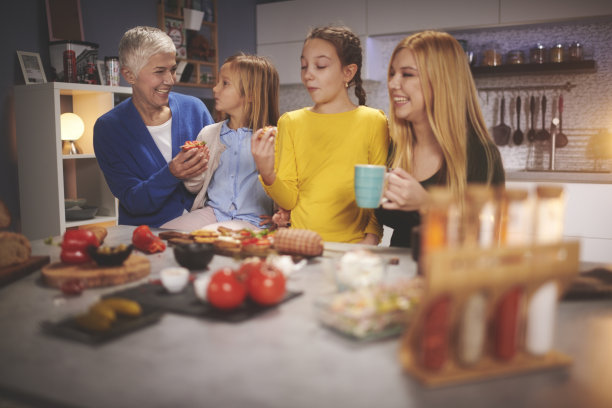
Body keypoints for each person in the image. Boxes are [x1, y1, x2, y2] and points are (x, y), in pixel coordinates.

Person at [252, 25, 389, 244]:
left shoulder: (374, 121)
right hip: (300, 242)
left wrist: (370, 241)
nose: (308, 75)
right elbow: (289, 199)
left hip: (353, 246)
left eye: (320, 66)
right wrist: (267, 171)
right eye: (304, 66)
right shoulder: (290, 122)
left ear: (348, 72)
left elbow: (376, 197)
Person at [376, 31, 505, 247]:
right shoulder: (394, 148)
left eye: (407, 74)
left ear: (441, 82)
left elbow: (486, 238)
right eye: (392, 73)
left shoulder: (481, 155)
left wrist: (427, 205)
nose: (392, 84)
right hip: (399, 276)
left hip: (452, 278)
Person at [94, 26, 214, 227]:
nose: (170, 80)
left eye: (173, 69)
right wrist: (172, 173)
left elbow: (221, 172)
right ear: (129, 75)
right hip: (148, 236)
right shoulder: (108, 129)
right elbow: (133, 201)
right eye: (159, 71)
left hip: (205, 230)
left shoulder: (195, 109)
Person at [161, 54, 278, 231]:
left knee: (208, 236)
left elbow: (287, 185)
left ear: (251, 94)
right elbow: (194, 188)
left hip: (253, 220)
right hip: (213, 212)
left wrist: (281, 214)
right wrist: (194, 166)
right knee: (164, 233)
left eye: (225, 83)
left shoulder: (274, 138)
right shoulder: (208, 134)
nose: (215, 89)